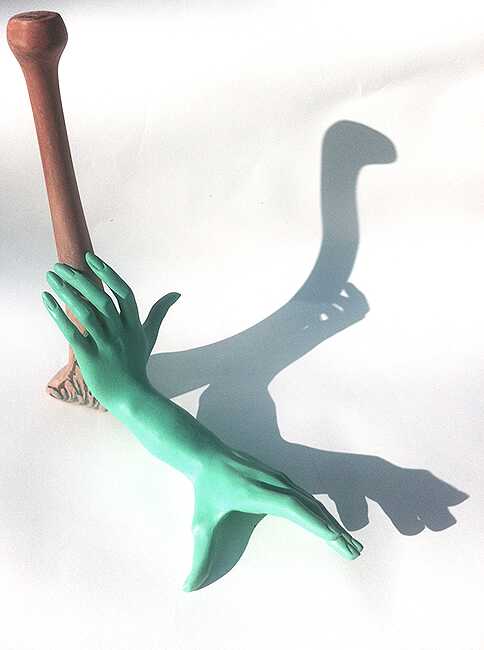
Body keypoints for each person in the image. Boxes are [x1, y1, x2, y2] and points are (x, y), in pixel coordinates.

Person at [42, 251, 363, 591]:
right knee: (282, 495)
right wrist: (127, 386)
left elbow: (273, 503)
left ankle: (331, 533)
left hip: (210, 463)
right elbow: (273, 501)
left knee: (282, 496)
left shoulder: (214, 473)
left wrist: (124, 389)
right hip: (207, 458)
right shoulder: (214, 476)